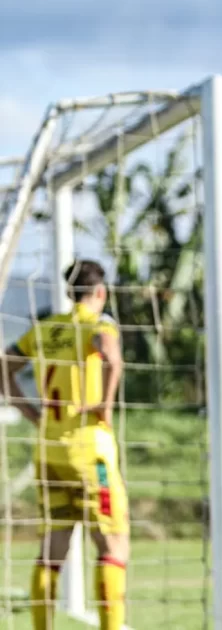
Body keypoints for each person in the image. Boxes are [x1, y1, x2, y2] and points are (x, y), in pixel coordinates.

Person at [1, 260, 129, 630]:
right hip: (90, 450)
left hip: (49, 450)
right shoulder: (97, 323)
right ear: (100, 293)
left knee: (52, 549)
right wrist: (104, 404)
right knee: (112, 546)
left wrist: (31, 413)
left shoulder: (44, 328)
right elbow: (110, 354)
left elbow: (2, 367)